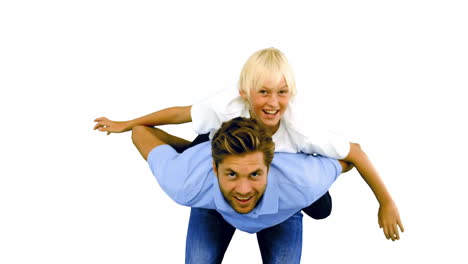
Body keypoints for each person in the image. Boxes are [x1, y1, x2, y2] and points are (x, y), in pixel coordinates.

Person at [94, 47, 404, 241]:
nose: (272, 103)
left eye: (282, 93)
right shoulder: (226, 107)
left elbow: (356, 153)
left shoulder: (302, 129)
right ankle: (198, 153)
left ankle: (296, 188)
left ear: (291, 94)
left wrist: (385, 202)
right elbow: (180, 113)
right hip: (230, 149)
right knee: (207, 143)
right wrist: (128, 123)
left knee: (322, 208)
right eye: (263, 92)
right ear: (244, 92)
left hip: (285, 161)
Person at [131, 117, 353, 263]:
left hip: (283, 207)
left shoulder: (301, 183)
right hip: (212, 205)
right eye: (231, 174)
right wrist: (188, 154)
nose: (244, 189)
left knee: (322, 209)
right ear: (214, 168)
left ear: (269, 167)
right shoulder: (185, 182)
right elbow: (140, 132)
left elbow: (350, 157)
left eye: (254, 174)